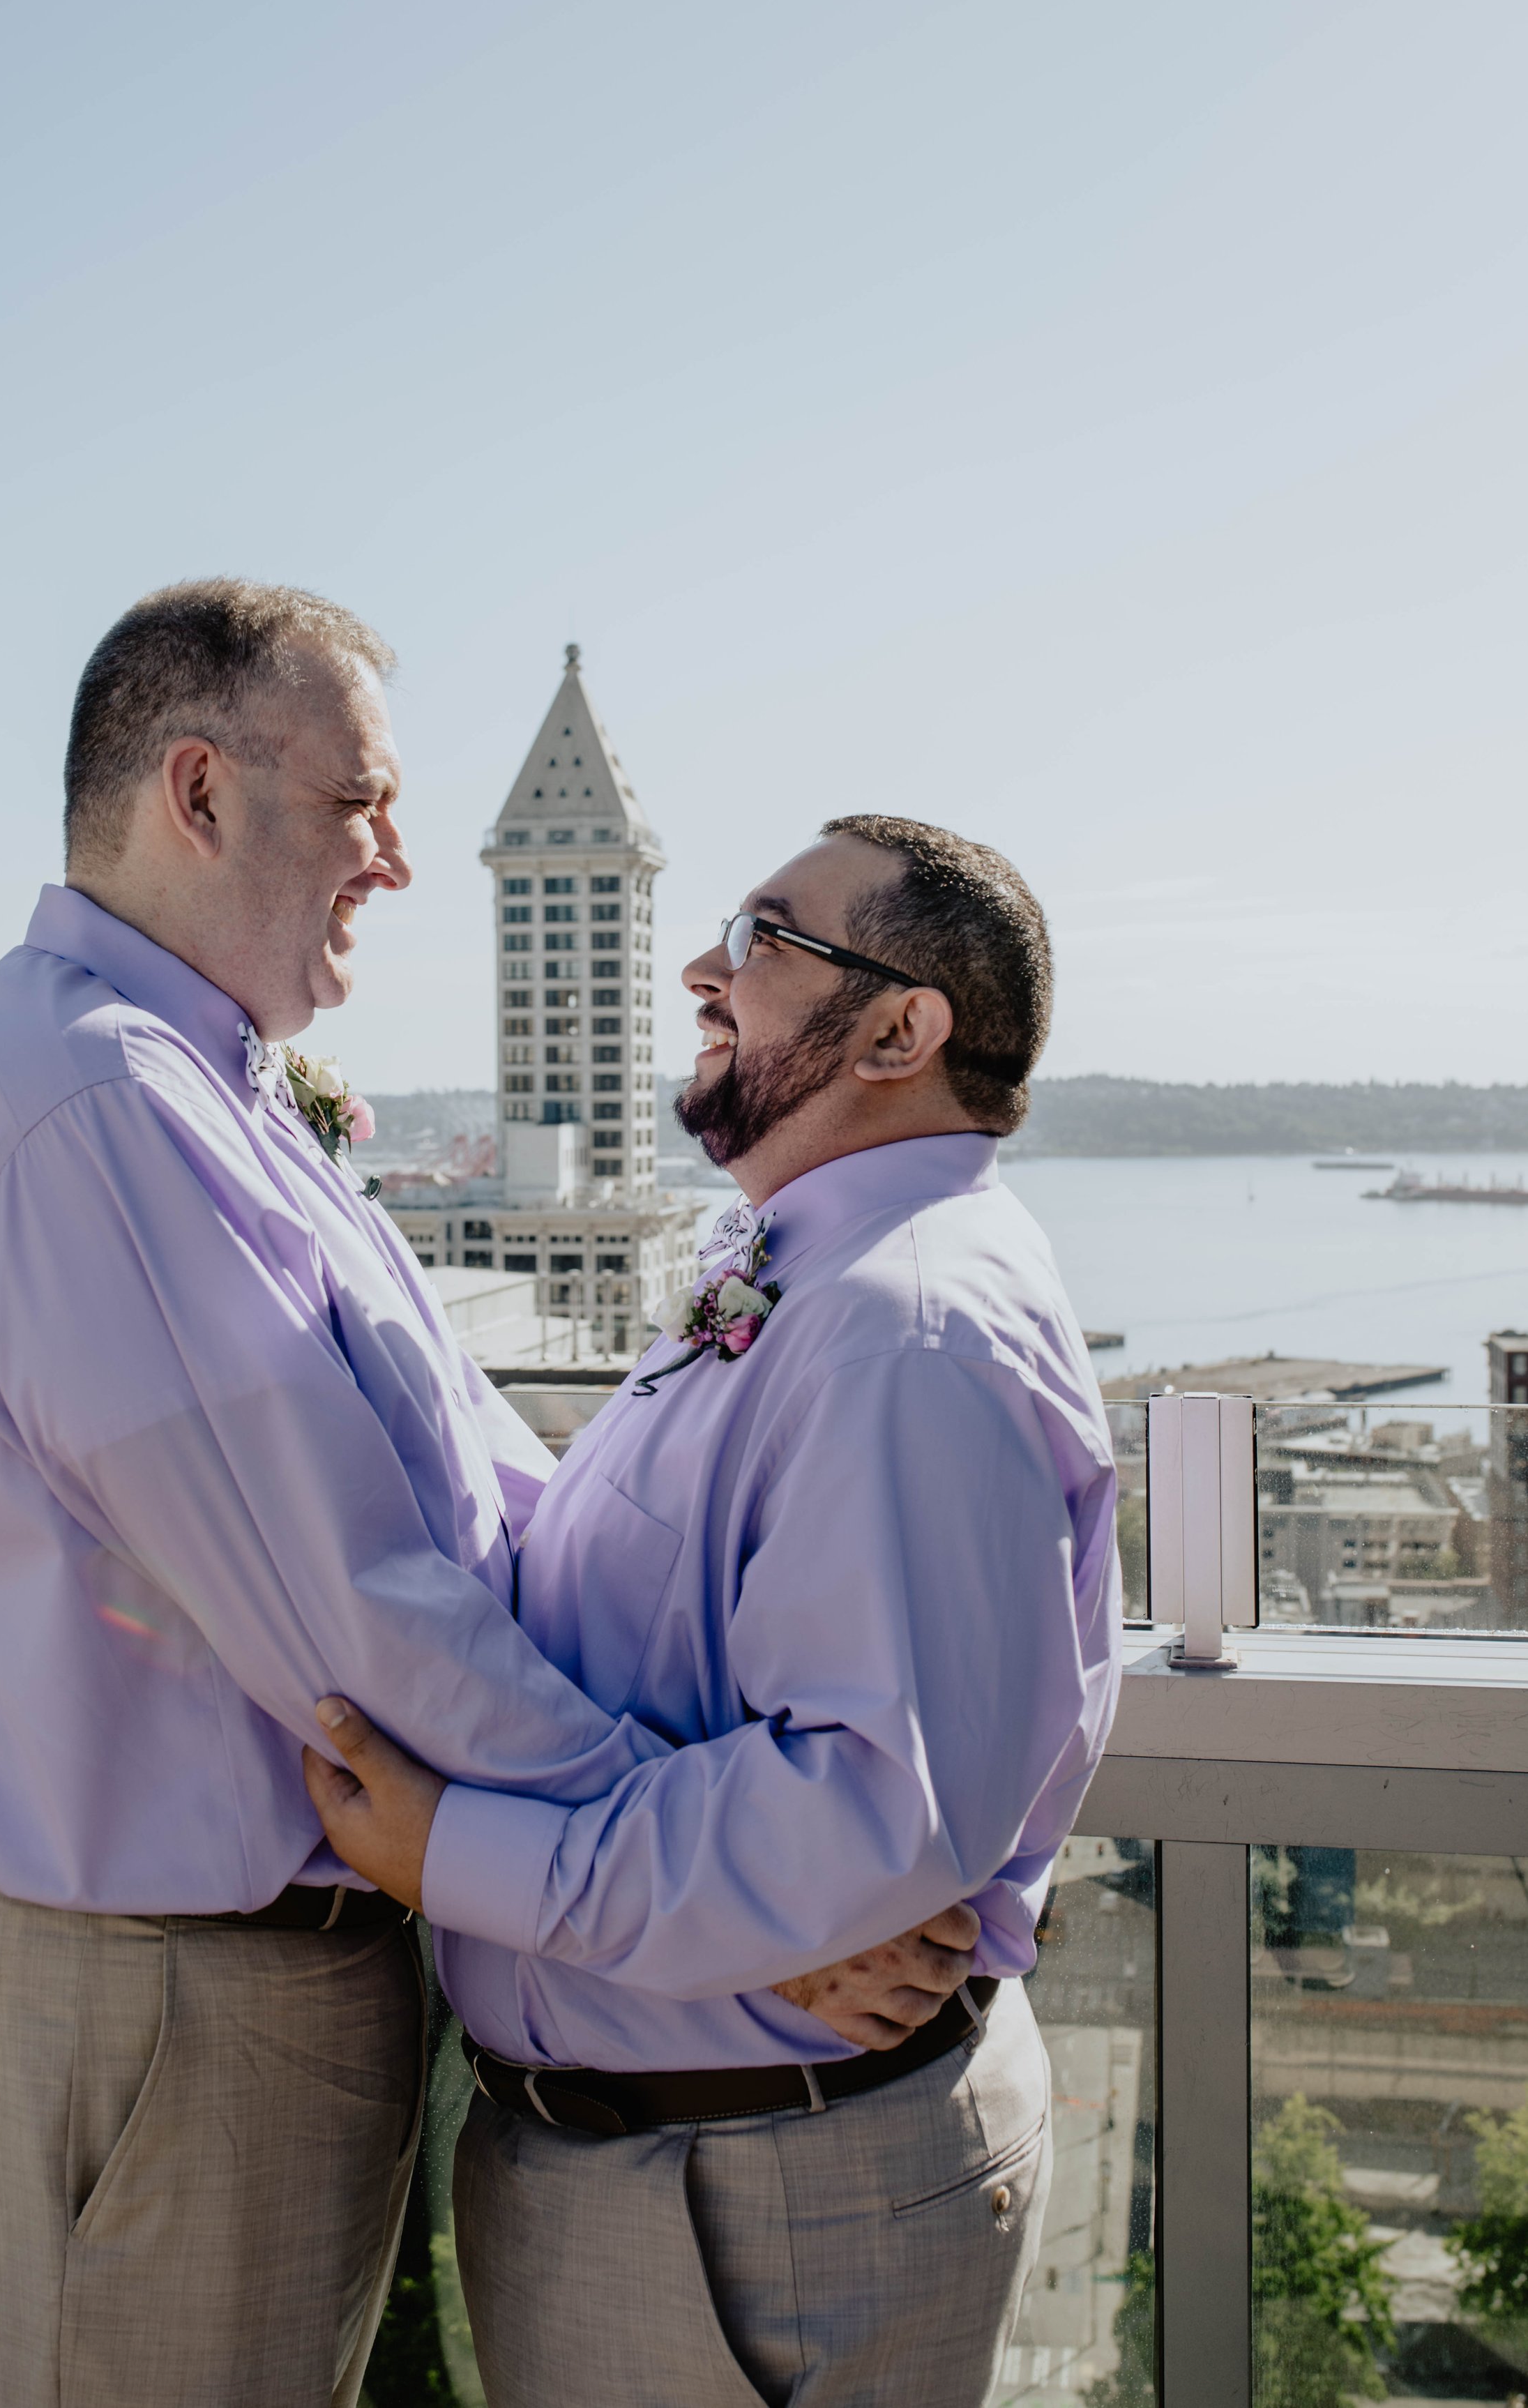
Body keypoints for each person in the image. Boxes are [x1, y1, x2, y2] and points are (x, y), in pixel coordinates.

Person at [0, 584, 975, 2408]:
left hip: (212, 2009)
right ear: (198, 793)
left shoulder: (191, 1085)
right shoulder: (94, 1109)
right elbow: (363, 1615)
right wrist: (763, 1890)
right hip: (143, 2022)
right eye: (356, 802)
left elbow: (483, 1490)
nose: (394, 858)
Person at [307, 814, 1124, 2408]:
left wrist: (457, 1857)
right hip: (693, 2170)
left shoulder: (905, 1331)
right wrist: (793, 1921)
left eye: (761, 935)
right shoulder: (819, 1273)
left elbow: (864, 1815)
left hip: (751, 2202)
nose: (701, 967)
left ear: (899, 1029)